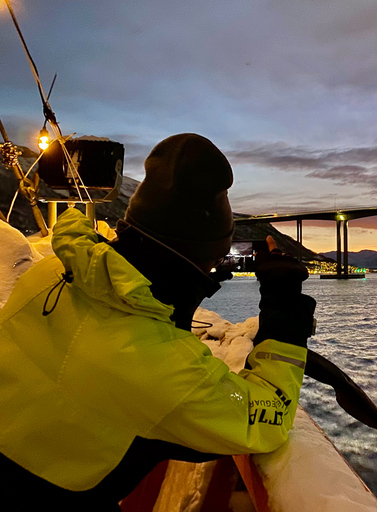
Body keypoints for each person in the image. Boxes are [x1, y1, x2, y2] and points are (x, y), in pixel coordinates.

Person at [0, 133, 316, 510]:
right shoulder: (164, 371)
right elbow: (269, 419)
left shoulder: (51, 270)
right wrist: (285, 317)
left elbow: (119, 315)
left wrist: (180, 295)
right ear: (199, 259)